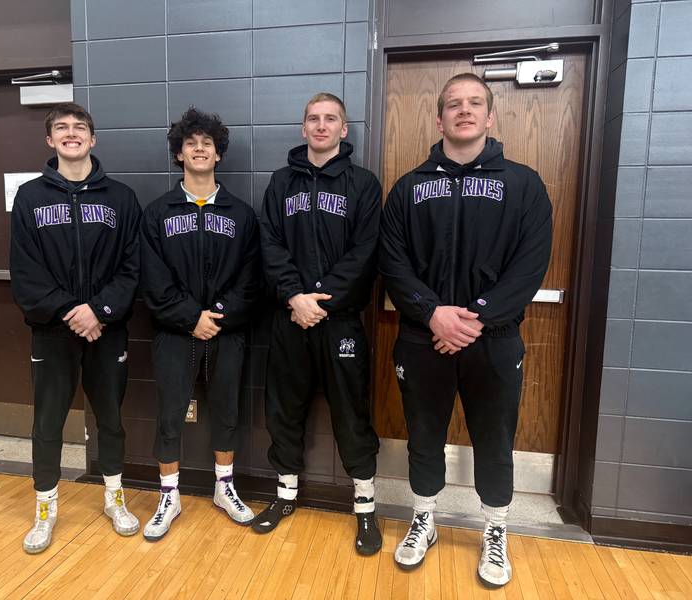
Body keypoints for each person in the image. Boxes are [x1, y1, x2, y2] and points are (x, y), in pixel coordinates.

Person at [380, 73, 553, 585]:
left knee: (495, 440)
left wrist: (473, 317)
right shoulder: (409, 188)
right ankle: (424, 518)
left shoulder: (523, 184)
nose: (464, 111)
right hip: (421, 337)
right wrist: (433, 312)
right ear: (439, 119)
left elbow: (530, 265)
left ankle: (496, 529)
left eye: (475, 103)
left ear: (490, 115)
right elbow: (393, 260)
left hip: (494, 341)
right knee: (424, 437)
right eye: (453, 104)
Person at [10, 102, 142, 554]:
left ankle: (114, 499)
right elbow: (25, 274)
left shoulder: (121, 198)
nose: (71, 134)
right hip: (53, 332)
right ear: (50, 141)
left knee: (110, 419)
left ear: (93, 138)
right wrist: (73, 311)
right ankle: (45, 508)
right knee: (47, 423)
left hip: (107, 331)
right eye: (62, 129)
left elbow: (132, 268)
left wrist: (99, 311)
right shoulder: (30, 198)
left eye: (79, 128)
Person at [255, 93, 382, 555]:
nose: (322, 125)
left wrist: (320, 300)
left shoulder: (363, 184)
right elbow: (268, 245)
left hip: (340, 321)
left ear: (344, 129)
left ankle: (365, 507)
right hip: (290, 319)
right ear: (303, 127)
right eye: (314, 118)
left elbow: (365, 252)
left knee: (351, 413)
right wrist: (294, 295)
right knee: (284, 409)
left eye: (331, 119)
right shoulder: (280, 183)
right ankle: (285, 494)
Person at [140, 108, 261, 541]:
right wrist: (191, 317)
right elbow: (153, 281)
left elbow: (251, 279)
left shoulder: (243, 215)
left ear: (218, 154)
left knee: (227, 410)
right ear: (178, 154)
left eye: (207, 143)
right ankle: (168, 496)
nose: (199, 148)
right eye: (190, 143)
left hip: (227, 333)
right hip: (176, 333)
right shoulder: (156, 213)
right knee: (171, 413)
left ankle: (224, 488)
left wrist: (216, 317)